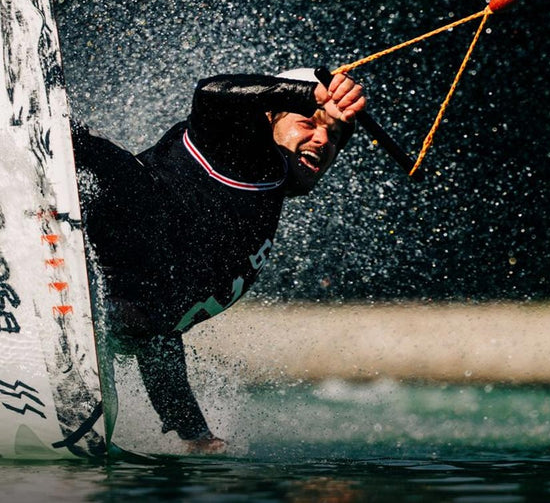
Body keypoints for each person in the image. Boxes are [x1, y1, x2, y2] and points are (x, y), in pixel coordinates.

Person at [73, 69, 367, 454]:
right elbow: (212, 93)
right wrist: (307, 92)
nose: (323, 139)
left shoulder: (261, 209)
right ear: (267, 118)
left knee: (144, 320)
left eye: (335, 134)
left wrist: (194, 434)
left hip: (100, 297)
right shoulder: (242, 150)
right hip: (88, 201)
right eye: (308, 122)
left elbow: (156, 332)